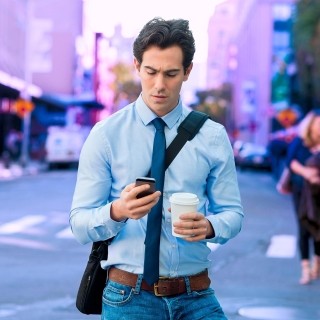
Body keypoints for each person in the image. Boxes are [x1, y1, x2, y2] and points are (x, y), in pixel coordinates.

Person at [70, 17, 244, 320]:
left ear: (188, 71)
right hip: (128, 297)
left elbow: (232, 212)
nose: (160, 84)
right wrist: (118, 210)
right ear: (137, 65)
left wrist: (210, 227)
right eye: (150, 72)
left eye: (171, 73)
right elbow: (80, 222)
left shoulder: (212, 136)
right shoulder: (106, 134)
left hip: (197, 295)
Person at [285, 109, 320, 285]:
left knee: (318, 227)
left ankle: (317, 263)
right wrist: (307, 173)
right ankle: (305, 269)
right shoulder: (300, 141)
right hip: (302, 191)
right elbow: (290, 162)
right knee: (304, 225)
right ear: (311, 124)